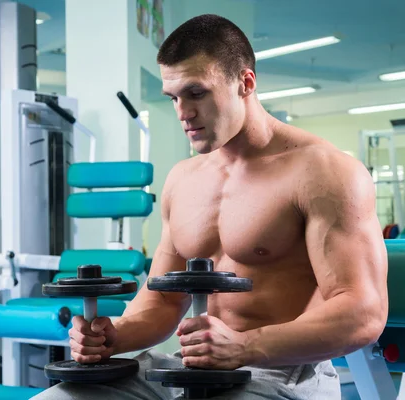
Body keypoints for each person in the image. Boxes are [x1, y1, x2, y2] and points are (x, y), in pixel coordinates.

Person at [32, 14, 388, 400]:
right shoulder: (183, 180)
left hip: (281, 374)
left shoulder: (324, 171)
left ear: (245, 83)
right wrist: (113, 335)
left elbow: (362, 313)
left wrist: (244, 346)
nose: (183, 112)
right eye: (174, 98)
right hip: (193, 369)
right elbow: (163, 301)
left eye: (196, 93)